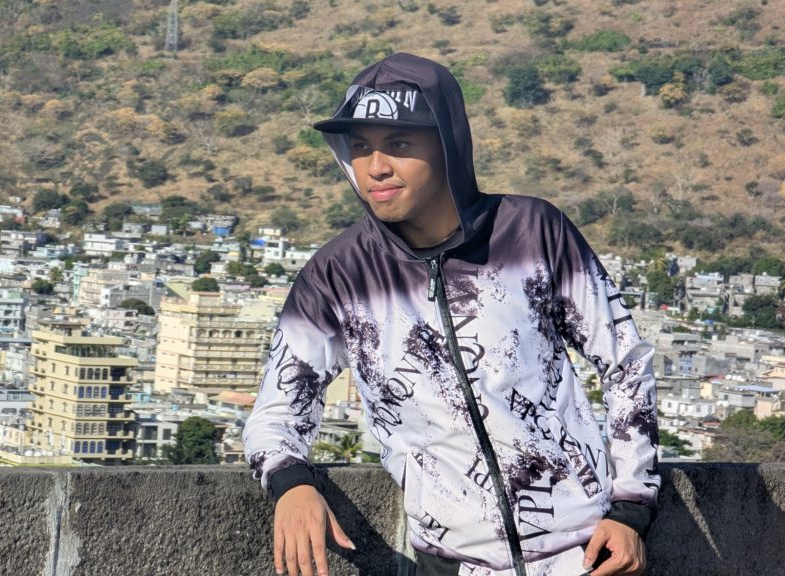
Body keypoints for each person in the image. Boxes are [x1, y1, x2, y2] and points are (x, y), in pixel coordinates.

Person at [243, 52, 659, 576]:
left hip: (587, 556)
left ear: (448, 146)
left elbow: (624, 361)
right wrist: (291, 483)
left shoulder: (532, 232)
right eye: (361, 147)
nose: (375, 167)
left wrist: (630, 508)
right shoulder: (338, 275)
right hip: (452, 565)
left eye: (398, 144)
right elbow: (277, 411)